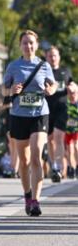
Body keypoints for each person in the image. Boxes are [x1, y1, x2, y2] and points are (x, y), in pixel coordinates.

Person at [3, 30, 56, 217]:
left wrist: (51, 90)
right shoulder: (13, 66)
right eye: (25, 43)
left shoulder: (44, 65)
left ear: (37, 44)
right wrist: (11, 89)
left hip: (39, 114)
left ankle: (35, 200)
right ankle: (27, 195)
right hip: (18, 116)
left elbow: (53, 84)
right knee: (24, 161)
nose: (29, 46)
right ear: (20, 46)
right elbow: (4, 88)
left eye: (32, 43)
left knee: (35, 156)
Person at [45, 45, 72, 182]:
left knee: (58, 137)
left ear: (59, 57)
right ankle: (54, 165)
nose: (53, 58)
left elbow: (72, 85)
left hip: (62, 108)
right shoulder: (44, 72)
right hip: (47, 109)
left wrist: (73, 88)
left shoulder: (65, 71)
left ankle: (59, 167)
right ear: (46, 57)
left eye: (55, 55)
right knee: (49, 139)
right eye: (50, 56)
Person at [64, 80, 78, 178]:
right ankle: (71, 167)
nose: (72, 94)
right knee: (69, 150)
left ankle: (77, 166)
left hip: (76, 129)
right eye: (70, 92)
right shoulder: (65, 102)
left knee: (76, 146)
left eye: (73, 92)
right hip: (67, 129)